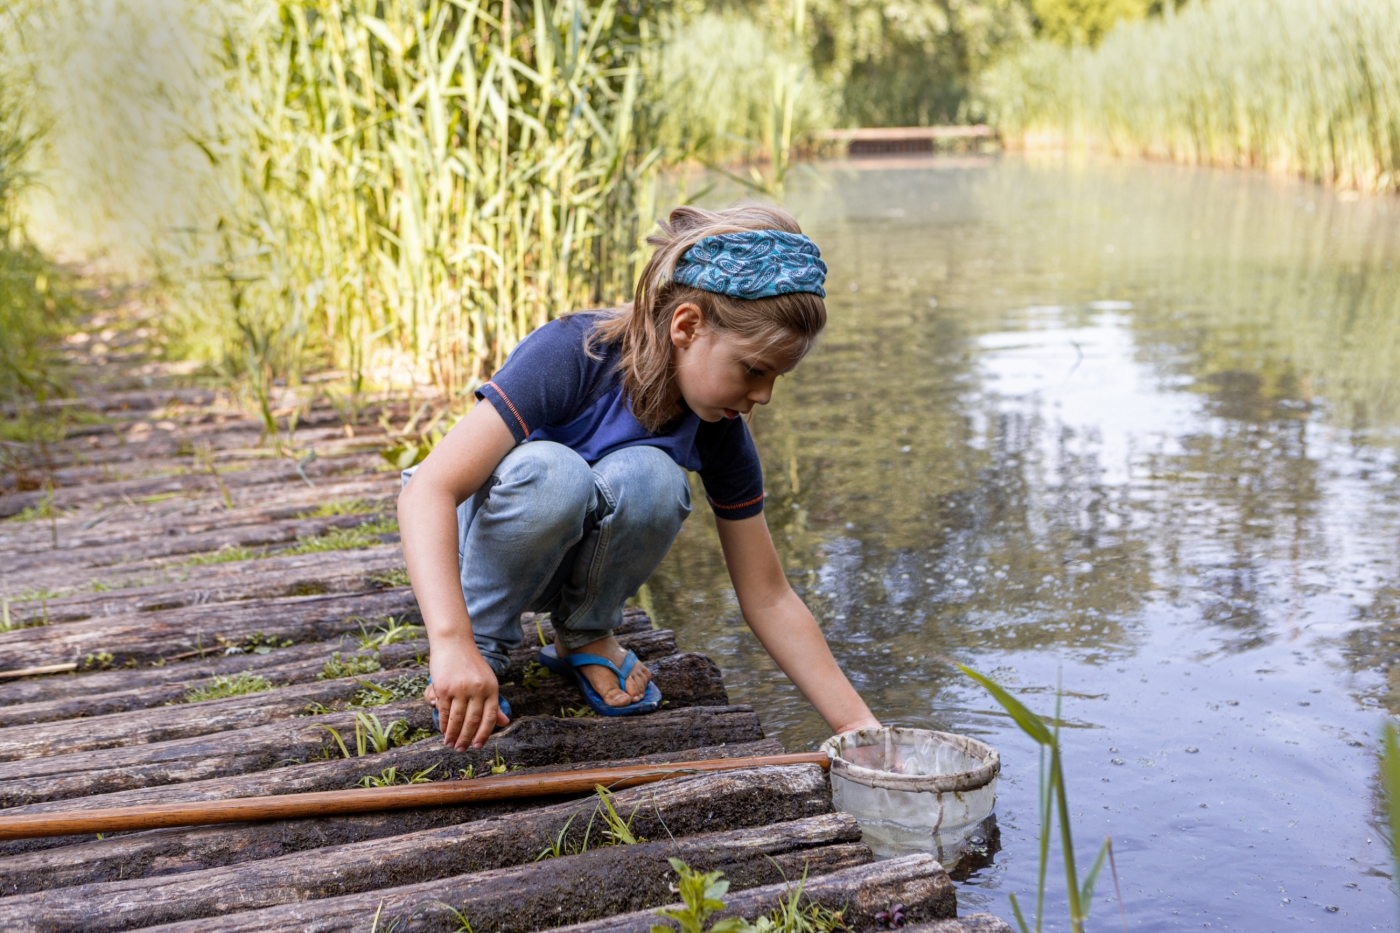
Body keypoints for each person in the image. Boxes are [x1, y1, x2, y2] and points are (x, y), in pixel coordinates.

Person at [397, 203, 881, 751]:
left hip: (557, 553)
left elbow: (768, 595)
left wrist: (857, 727)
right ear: (687, 326)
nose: (763, 396)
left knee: (655, 476)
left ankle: (584, 633)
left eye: (776, 378)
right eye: (753, 369)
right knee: (554, 472)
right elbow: (428, 491)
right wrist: (451, 641)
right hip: (480, 543)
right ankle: (479, 645)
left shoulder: (716, 426)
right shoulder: (572, 352)